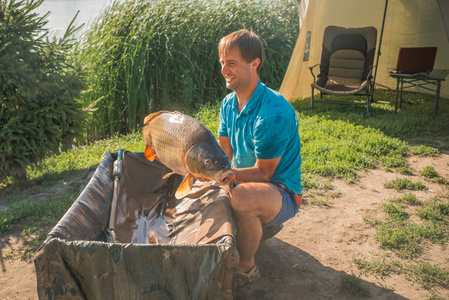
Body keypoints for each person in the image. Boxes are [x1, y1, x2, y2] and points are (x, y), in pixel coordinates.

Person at [217, 29, 303, 289]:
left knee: (241, 198)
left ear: (255, 63)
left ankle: (246, 267)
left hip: (281, 191)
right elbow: (224, 152)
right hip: (244, 181)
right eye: (222, 63)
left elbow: (264, 174)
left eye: (231, 63)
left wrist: (222, 178)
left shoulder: (273, 113)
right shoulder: (228, 103)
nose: (224, 70)